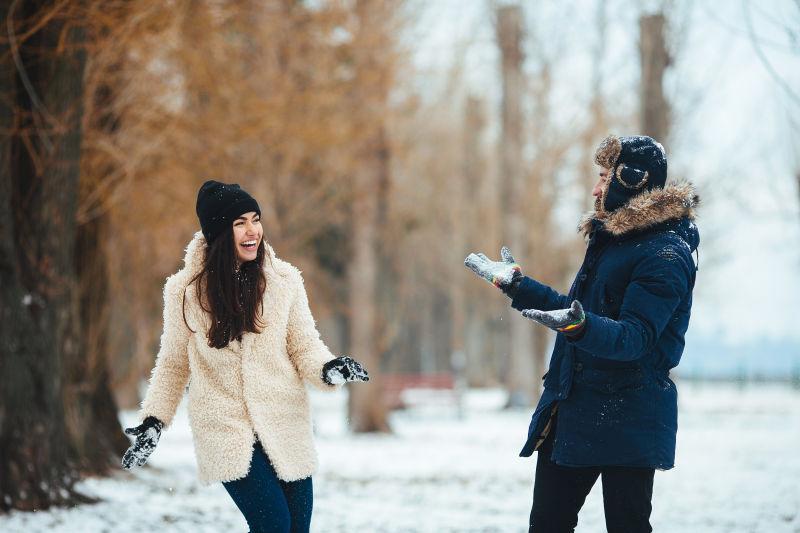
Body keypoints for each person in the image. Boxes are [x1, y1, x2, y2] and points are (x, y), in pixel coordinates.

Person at [465, 135, 700, 533]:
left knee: (626, 526)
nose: (596, 187)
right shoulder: (613, 242)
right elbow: (580, 313)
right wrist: (517, 286)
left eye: (606, 177)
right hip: (573, 408)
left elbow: (634, 338)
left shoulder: (665, 253)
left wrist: (579, 326)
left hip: (628, 416)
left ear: (633, 179)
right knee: (547, 525)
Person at [122, 180, 369, 533]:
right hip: (225, 428)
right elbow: (173, 364)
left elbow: (304, 346)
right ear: (220, 232)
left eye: (256, 219)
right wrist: (153, 421)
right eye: (240, 223)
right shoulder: (185, 292)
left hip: (284, 422)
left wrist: (330, 369)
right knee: (274, 526)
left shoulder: (284, 281)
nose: (253, 230)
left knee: (296, 528)